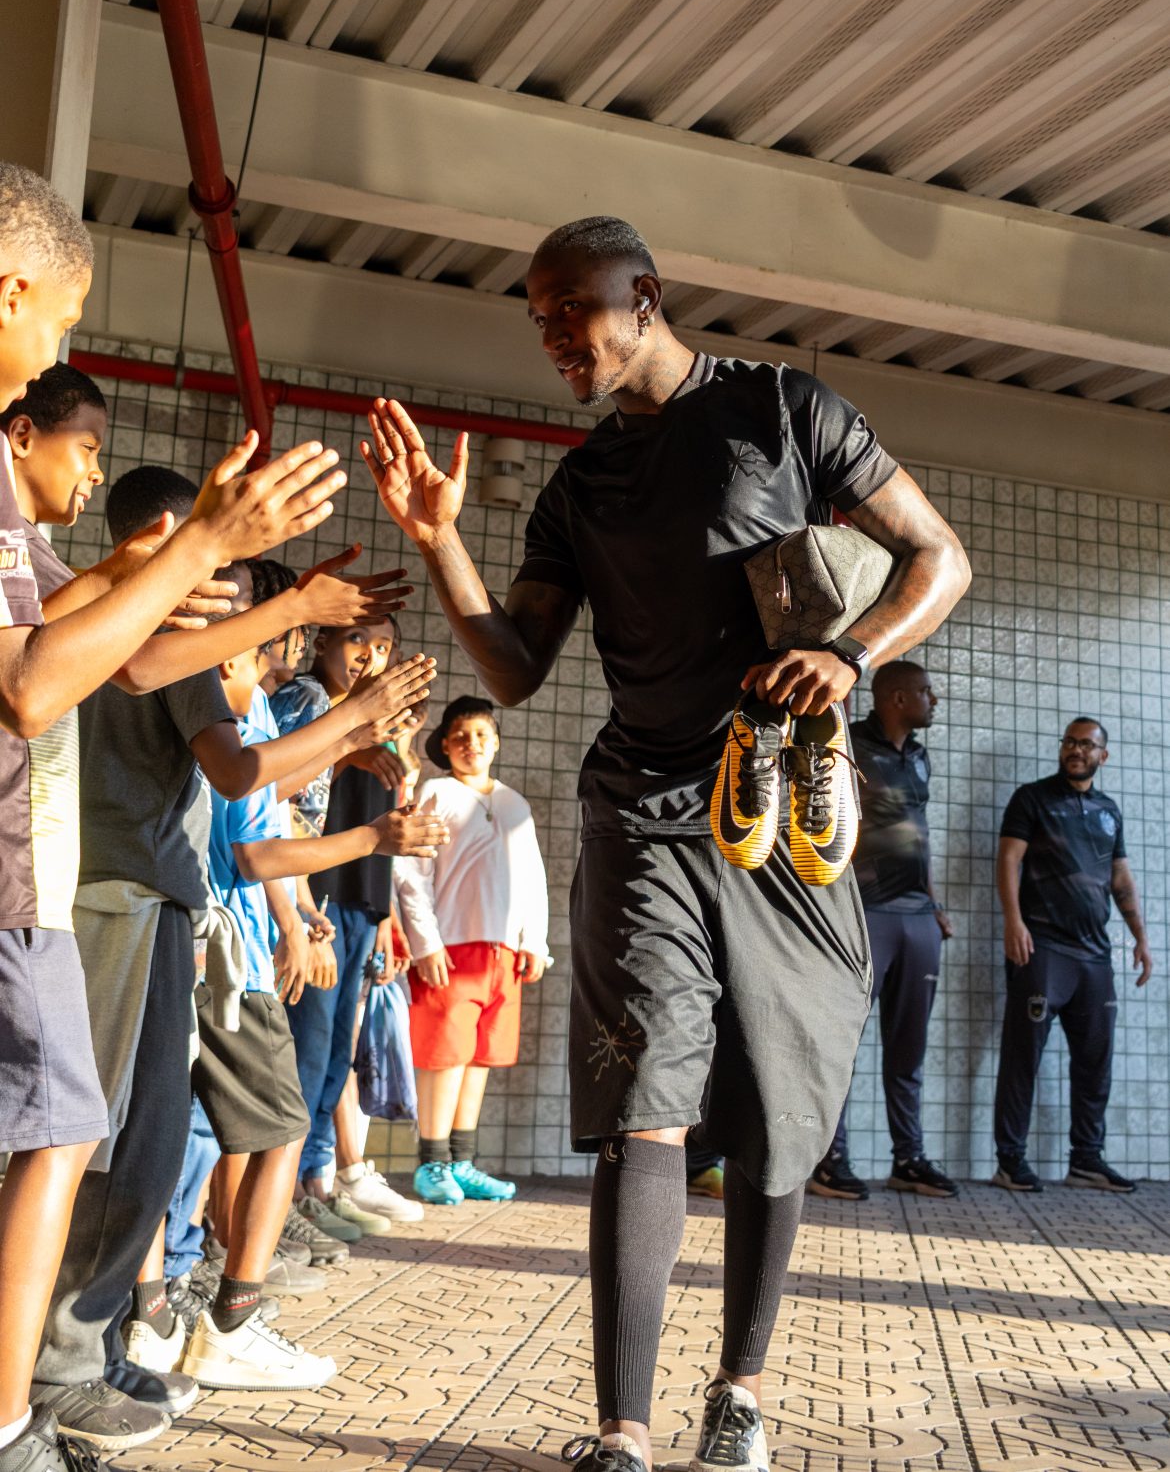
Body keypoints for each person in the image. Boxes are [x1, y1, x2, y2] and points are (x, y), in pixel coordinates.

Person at [361, 215, 969, 1472]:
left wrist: (851, 655)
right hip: (640, 810)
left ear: (643, 295)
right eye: (536, 318)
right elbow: (515, 669)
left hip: (779, 813)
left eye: (569, 309)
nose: (551, 337)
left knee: (780, 1108)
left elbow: (938, 558)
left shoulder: (784, 412)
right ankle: (623, 1432)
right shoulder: (581, 487)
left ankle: (740, 1391)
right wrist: (438, 540)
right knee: (646, 1107)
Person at [0, 164, 353, 1472]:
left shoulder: (51, 540)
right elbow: (54, 681)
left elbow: (64, 637)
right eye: (60, 319)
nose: (61, 347)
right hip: (71, 884)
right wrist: (206, 557)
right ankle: (31, 1398)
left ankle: (59, 1373)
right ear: (11, 292)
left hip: (84, 883)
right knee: (69, 1136)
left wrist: (175, 571)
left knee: (99, 1137)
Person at [32, 465, 435, 1452]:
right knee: (111, 1152)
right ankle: (64, 1368)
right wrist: (348, 714)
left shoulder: (118, 616)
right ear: (172, 536)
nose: (236, 570)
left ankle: (95, 1349)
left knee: (132, 1146)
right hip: (125, 900)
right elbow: (239, 774)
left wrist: (343, 722)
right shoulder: (151, 629)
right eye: (226, 540)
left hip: (139, 900)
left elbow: (238, 773)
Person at [179, 620, 432, 1388]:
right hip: (231, 944)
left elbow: (268, 799)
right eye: (269, 641)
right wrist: (366, 838)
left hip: (240, 933)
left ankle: (169, 1296)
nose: (368, 657)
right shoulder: (265, 706)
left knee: (208, 1125)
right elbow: (255, 841)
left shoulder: (252, 709)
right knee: (261, 1124)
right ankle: (222, 1307)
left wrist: (300, 909)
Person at [276, 619, 442, 1231]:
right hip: (316, 898)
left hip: (363, 905)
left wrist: (388, 919)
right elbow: (275, 793)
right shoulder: (313, 705)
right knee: (308, 1049)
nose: (371, 655)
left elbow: (390, 837)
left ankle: (314, 1183)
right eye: (358, 640)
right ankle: (285, 1195)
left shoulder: (383, 727)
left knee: (335, 1056)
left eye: (384, 647)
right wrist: (350, 748)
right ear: (321, 642)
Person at [810, 661, 957, 1202]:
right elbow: (822, 826)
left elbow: (918, 834)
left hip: (918, 918)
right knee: (842, 1044)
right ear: (897, 698)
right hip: (864, 913)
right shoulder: (848, 744)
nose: (934, 700)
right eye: (926, 692)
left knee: (908, 1049)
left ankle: (908, 1159)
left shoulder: (919, 755)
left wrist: (934, 903)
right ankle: (830, 1160)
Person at [396, 696, 550, 1205]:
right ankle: (432, 1164)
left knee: (480, 1057)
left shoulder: (515, 804)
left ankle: (462, 1163)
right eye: (461, 736)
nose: (472, 744)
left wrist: (534, 941)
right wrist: (425, 942)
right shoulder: (434, 792)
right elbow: (411, 872)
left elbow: (533, 879)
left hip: (503, 951)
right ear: (445, 745)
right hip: (449, 946)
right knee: (444, 1056)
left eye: (482, 735)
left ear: (497, 742)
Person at [992, 718, 1153, 1195]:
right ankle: (1010, 1161)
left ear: (1104, 754)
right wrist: (1013, 921)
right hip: (1042, 947)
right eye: (1069, 742)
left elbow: (1120, 878)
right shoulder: (1032, 798)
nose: (1076, 750)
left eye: (1086, 744)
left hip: (1094, 956)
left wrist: (1141, 938)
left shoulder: (1109, 810)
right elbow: (1009, 859)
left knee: (1095, 1063)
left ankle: (1086, 1160)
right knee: (1022, 1058)